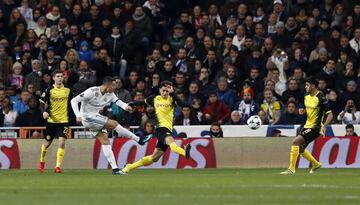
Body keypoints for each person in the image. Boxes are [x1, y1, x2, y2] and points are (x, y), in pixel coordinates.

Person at [70, 76, 152, 175]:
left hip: (95, 117)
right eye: (113, 85)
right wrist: (78, 115)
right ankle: (139, 140)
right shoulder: (92, 91)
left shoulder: (110, 94)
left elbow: (118, 102)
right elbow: (73, 101)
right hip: (87, 117)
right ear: (107, 85)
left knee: (105, 140)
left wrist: (126, 107)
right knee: (114, 123)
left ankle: (115, 169)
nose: (115, 87)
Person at [121, 81, 191, 174]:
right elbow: (142, 102)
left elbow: (182, 104)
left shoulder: (172, 99)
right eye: (163, 90)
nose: (165, 93)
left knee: (154, 158)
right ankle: (184, 153)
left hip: (168, 129)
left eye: (167, 91)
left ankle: (129, 167)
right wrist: (132, 103)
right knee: (171, 142)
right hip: (160, 128)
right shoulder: (154, 98)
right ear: (160, 90)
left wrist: (173, 92)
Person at [281, 77, 333, 174]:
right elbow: (310, 110)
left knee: (295, 142)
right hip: (307, 125)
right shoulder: (306, 96)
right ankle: (316, 164)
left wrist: (324, 126)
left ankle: (291, 169)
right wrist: (303, 111)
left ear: (313, 86)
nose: (305, 87)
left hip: (316, 127)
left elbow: (330, 115)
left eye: (307, 85)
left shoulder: (321, 97)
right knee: (300, 149)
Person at [38, 70, 72, 173]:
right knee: (47, 143)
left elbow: (73, 101)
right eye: (58, 76)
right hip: (51, 120)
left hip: (64, 120)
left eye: (61, 76)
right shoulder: (49, 90)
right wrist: (44, 112)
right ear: (53, 78)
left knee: (61, 143)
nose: (60, 78)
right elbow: (41, 103)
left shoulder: (68, 90)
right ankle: (42, 160)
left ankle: (57, 167)